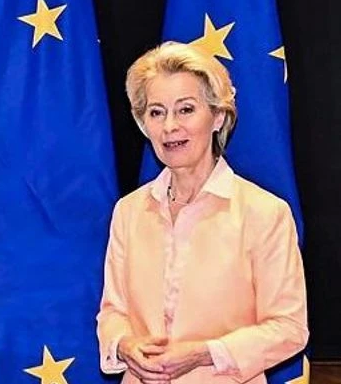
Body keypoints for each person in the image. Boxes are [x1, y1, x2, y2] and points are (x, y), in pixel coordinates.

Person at [96, 42, 308, 384]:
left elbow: (289, 328)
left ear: (218, 116)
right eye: (156, 112)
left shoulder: (265, 213)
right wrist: (125, 345)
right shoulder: (129, 211)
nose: (169, 127)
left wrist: (205, 352)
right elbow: (113, 312)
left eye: (185, 110)